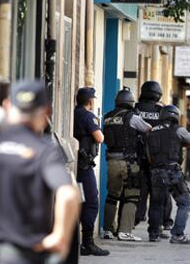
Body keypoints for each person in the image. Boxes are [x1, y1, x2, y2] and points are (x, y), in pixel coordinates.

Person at [0, 81, 80, 263]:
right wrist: (60, 237)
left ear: (7, 105)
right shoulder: (43, 150)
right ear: (45, 112)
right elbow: (68, 194)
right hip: (20, 254)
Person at [102, 87, 152, 241]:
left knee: (112, 196)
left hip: (111, 162)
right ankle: (125, 231)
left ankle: (107, 230)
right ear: (131, 103)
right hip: (129, 162)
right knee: (132, 196)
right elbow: (148, 128)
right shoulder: (132, 117)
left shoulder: (107, 117)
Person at [147, 105, 190, 244]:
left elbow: (149, 155)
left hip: (156, 171)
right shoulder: (178, 130)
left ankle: (153, 234)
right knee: (184, 203)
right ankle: (177, 235)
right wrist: (180, 144)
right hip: (173, 172)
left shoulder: (152, 130)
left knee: (156, 203)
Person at [132, 80, 174, 233]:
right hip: (157, 157)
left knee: (138, 189)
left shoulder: (135, 108)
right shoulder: (161, 111)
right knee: (162, 190)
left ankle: (135, 218)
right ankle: (164, 222)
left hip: (137, 155)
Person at [73, 87, 109, 256]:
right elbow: (99, 137)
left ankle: (80, 242)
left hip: (75, 164)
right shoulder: (87, 116)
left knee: (79, 202)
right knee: (91, 201)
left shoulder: (75, 112)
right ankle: (87, 243)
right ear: (90, 101)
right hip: (84, 166)